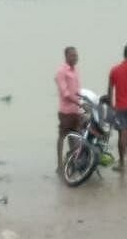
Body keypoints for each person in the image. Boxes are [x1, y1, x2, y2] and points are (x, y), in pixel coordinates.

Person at [55, 46, 81, 174]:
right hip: (65, 111)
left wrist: (83, 101)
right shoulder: (61, 71)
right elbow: (65, 93)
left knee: (75, 137)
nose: (75, 58)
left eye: (76, 55)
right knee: (62, 136)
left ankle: (71, 162)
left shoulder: (75, 71)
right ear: (66, 56)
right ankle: (60, 164)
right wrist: (79, 103)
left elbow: (77, 91)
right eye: (72, 55)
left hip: (75, 110)